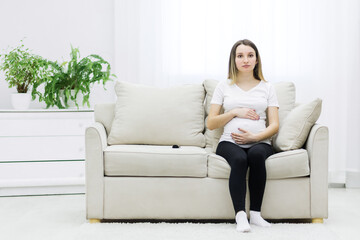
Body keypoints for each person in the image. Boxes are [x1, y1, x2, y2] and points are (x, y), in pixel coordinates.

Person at [207, 39, 279, 232]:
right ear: (234, 60)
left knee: (255, 156)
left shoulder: (267, 87)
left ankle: (255, 214)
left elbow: (274, 125)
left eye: (250, 55)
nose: (245, 59)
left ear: (256, 60)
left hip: (260, 142)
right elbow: (211, 123)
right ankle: (240, 216)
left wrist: (255, 138)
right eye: (240, 56)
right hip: (229, 142)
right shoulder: (224, 86)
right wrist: (234, 112)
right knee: (239, 159)